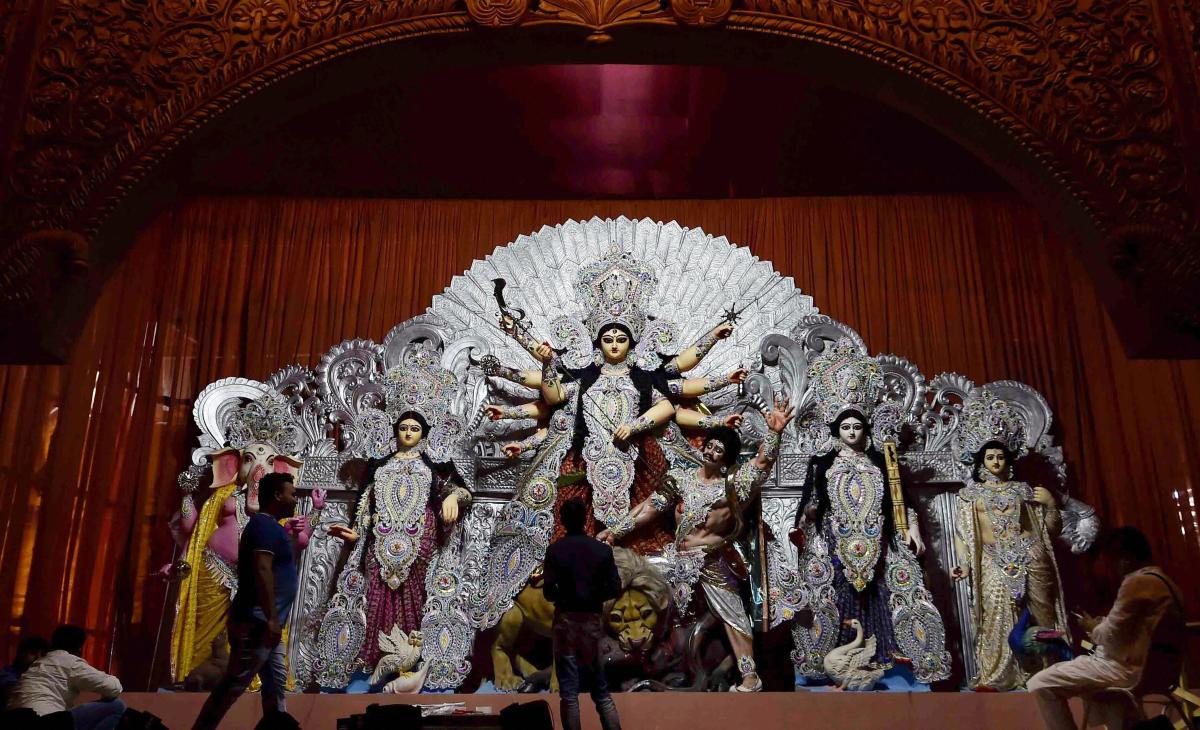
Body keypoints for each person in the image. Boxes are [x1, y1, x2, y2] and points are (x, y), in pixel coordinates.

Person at [602, 396, 794, 691]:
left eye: (720, 450)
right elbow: (649, 508)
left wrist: (775, 433)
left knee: (733, 616)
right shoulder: (680, 479)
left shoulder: (734, 486)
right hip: (675, 559)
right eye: (711, 446)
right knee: (630, 574)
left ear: (727, 458)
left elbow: (762, 462)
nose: (712, 452)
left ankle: (749, 675)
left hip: (711, 562)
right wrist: (615, 530)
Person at [1027, 527, 1184, 730]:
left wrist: (1091, 626)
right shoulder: (1165, 582)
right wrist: (1101, 624)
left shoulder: (1136, 583)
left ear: (1125, 558)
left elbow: (1108, 637)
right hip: (1158, 669)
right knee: (1099, 692)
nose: (1112, 568)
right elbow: (1129, 629)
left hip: (1124, 670)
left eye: (1113, 561)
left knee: (1042, 683)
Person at [192, 472, 299, 730]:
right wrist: (272, 618)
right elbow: (262, 571)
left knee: (275, 686)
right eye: (291, 493)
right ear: (277, 495)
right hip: (258, 623)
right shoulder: (262, 526)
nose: (295, 499)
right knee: (234, 684)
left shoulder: (271, 527)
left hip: (268, 625)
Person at [542, 498, 623, 730]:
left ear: (563, 520)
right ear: (586, 519)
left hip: (566, 620)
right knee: (601, 689)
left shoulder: (555, 550)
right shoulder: (601, 551)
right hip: (592, 621)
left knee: (569, 691)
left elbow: (548, 591)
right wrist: (594, 597)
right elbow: (614, 587)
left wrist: (565, 596)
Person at [8, 625, 124, 729]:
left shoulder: (39, 663)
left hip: (16, 720)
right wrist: (110, 683)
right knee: (117, 705)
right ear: (79, 647)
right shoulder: (70, 662)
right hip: (44, 721)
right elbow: (112, 687)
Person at [0, 635, 49, 708]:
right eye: (33, 653)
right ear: (21, 654)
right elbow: (15, 693)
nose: (38, 658)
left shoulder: (45, 674)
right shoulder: (8, 673)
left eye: (42, 654)